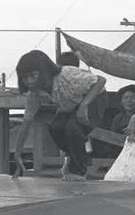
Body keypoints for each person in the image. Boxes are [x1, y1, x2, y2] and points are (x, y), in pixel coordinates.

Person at [12, 50, 106, 182]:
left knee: (73, 128)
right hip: (71, 105)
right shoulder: (35, 94)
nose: (29, 81)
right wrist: (17, 155)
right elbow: (26, 123)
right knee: (55, 128)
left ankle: (78, 171)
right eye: (25, 78)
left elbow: (101, 80)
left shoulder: (68, 75)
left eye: (33, 76)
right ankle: (77, 156)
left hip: (94, 98)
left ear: (44, 71)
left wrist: (84, 106)